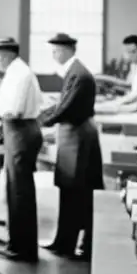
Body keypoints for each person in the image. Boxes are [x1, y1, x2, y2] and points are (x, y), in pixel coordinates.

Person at [39, 33, 104, 261]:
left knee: (75, 190)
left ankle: (68, 243)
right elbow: (62, 105)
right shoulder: (76, 72)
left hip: (77, 136)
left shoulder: (78, 74)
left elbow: (65, 108)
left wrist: (40, 121)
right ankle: (64, 241)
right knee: (70, 188)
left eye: (55, 51)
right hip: (73, 134)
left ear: (65, 50)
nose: (54, 55)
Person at [0, 37, 42, 262]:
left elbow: (14, 110)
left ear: (6, 55)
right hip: (17, 131)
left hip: (19, 131)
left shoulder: (20, 74)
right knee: (15, 189)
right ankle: (18, 243)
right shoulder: (16, 71)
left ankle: (22, 247)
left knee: (19, 192)